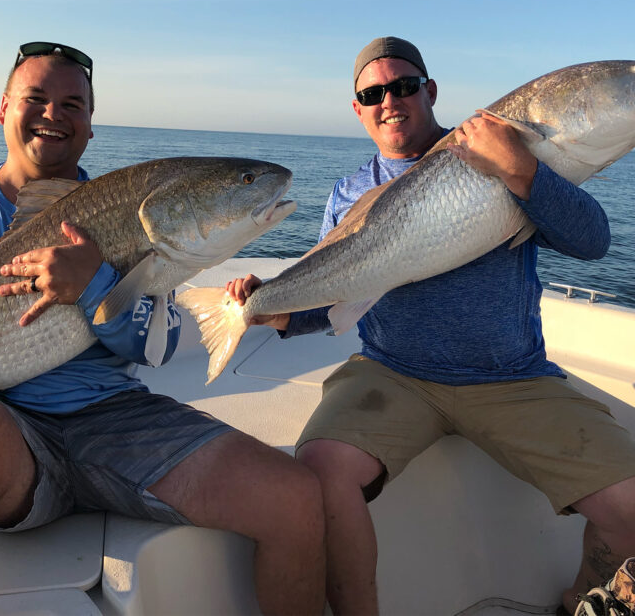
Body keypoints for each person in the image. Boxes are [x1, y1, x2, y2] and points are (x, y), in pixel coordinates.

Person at [0, 42, 325, 616]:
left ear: (89, 129)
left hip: (116, 421)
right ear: (3, 107)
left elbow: (151, 348)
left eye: (72, 105)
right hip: (3, 439)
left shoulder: (125, 211)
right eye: (36, 99)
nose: (53, 114)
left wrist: (96, 286)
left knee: (298, 497)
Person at [227, 36, 635, 615]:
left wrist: (521, 171)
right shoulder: (348, 191)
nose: (389, 101)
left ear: (430, 90)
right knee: (321, 471)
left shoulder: (498, 148)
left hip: (512, 378)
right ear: (358, 108)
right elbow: (337, 295)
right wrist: (283, 313)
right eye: (373, 93)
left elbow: (592, 241)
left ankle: (576, 604)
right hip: (392, 374)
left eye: (403, 86)